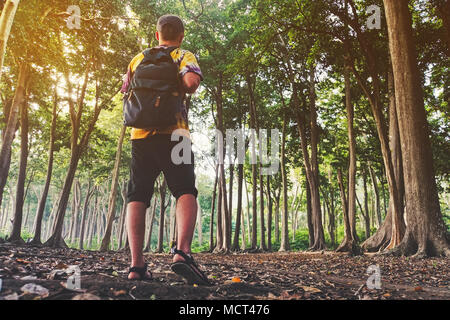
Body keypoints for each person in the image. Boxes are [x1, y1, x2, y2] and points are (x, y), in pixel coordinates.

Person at [121, 14, 209, 285]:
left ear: (157, 35)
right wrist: (177, 85)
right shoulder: (183, 54)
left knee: (138, 194)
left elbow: (125, 91)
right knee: (184, 190)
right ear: (181, 36)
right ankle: (182, 252)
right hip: (176, 135)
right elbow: (192, 83)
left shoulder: (138, 59)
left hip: (140, 136)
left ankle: (137, 265)